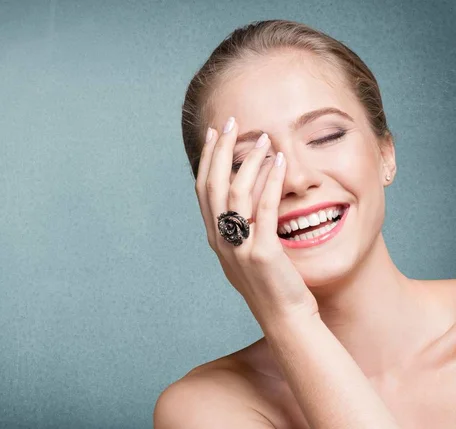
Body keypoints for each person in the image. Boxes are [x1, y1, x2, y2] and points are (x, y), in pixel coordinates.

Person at [153, 19, 456, 428]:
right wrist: (288, 318)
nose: (296, 179)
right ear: (214, 201)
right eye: (248, 163)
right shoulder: (204, 408)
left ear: (386, 153)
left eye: (326, 136)